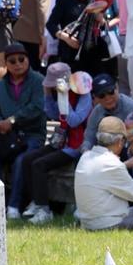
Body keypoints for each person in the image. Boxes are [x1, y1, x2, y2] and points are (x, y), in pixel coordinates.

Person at [20, 66, 93, 224]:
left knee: (39, 165)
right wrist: (48, 94)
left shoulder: (83, 94)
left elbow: (74, 121)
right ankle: (36, 202)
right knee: (27, 159)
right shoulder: (56, 92)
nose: (53, 88)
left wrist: (64, 97)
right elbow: (53, 114)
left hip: (77, 145)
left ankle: (44, 210)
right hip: (61, 141)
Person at [0, 44, 48, 218]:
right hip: (6, 137)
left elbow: (37, 107)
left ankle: (13, 206)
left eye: (21, 59)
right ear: (6, 64)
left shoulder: (38, 80)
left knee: (21, 161)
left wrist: (12, 120)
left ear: (28, 60)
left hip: (32, 134)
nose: (18, 64)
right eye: (12, 61)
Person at [48, 0, 115, 77]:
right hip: (70, 54)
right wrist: (66, 38)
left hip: (93, 54)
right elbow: (51, 24)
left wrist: (101, 20)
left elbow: (103, 26)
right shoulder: (63, 0)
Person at [82, 73, 133, 152]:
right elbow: (89, 138)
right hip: (102, 150)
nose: (107, 98)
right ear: (95, 97)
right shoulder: (96, 112)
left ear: (117, 88)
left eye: (110, 92)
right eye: (101, 95)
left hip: (126, 147)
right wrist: (85, 151)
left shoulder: (131, 108)